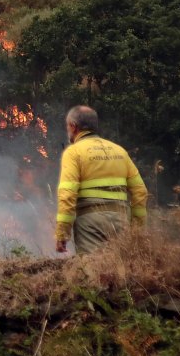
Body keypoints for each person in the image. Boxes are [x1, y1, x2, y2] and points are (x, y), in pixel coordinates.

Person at [55, 105, 148, 255]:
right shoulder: (119, 151)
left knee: (92, 270)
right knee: (120, 269)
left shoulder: (73, 153)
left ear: (73, 126)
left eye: (67, 126)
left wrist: (62, 233)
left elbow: (67, 194)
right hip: (120, 220)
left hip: (90, 223)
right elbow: (140, 191)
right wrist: (137, 229)